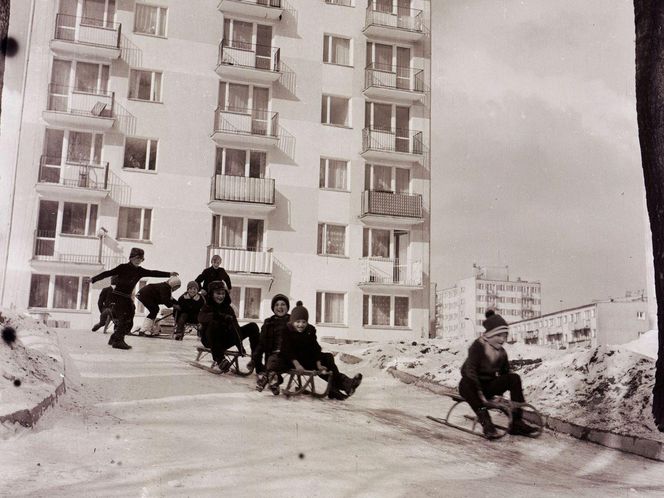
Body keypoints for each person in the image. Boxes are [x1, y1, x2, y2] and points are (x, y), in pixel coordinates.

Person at [458, 310, 538, 439]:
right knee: (467, 383)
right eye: (499, 335)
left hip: (487, 385)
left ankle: (516, 421)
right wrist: (480, 394)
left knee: (514, 378)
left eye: (505, 336)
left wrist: (500, 394)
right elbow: (470, 371)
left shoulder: (501, 352)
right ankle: (486, 422)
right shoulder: (478, 346)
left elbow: (504, 373)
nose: (503, 340)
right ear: (491, 334)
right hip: (471, 386)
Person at [267, 301, 362, 399]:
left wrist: (319, 364)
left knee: (328, 357)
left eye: (304, 322)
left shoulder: (310, 330)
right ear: (292, 322)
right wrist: (297, 365)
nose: (301, 325)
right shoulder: (286, 330)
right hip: (291, 360)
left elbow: (315, 348)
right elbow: (287, 350)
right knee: (274, 360)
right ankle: (274, 381)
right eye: (298, 322)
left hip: (306, 360)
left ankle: (342, 386)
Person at [90, 248, 177, 350]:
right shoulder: (123, 267)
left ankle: (114, 338)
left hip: (126, 297)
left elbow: (153, 272)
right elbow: (108, 273)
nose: (138, 260)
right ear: (131, 258)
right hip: (117, 296)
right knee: (124, 318)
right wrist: (93, 279)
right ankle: (118, 341)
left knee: (130, 317)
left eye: (140, 259)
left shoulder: (140, 271)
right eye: (136, 258)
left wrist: (169, 274)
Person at [197, 280, 259, 373]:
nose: (221, 296)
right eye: (218, 293)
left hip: (226, 339)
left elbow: (235, 326)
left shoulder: (228, 308)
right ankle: (220, 359)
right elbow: (201, 317)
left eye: (223, 293)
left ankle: (255, 359)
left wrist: (240, 346)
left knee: (253, 326)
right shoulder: (207, 307)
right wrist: (218, 316)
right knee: (215, 323)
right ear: (212, 294)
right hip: (211, 340)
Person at [253, 294, 290, 392]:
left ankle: (267, 379)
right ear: (273, 308)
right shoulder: (268, 322)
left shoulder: (292, 321)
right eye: (277, 305)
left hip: (288, 355)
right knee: (269, 359)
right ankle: (273, 380)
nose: (280, 307)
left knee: (275, 360)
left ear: (287, 307)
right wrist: (256, 356)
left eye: (283, 304)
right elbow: (262, 342)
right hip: (272, 355)